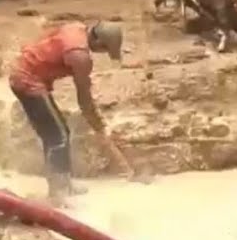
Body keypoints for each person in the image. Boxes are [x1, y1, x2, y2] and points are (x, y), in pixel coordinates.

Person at [8, 19, 144, 204]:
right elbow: (84, 99)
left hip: (29, 73)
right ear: (97, 43)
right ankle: (58, 192)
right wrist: (97, 123)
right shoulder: (80, 57)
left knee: (60, 130)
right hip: (27, 79)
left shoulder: (77, 28)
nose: (102, 54)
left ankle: (64, 183)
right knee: (57, 135)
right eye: (104, 50)